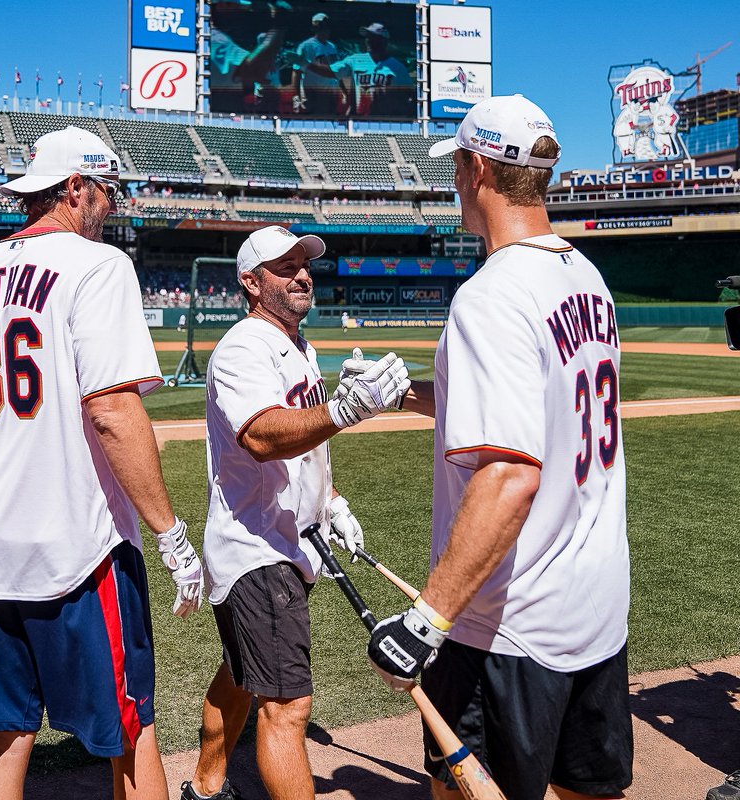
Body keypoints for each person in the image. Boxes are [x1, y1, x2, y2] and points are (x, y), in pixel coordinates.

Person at [364, 95, 632, 800]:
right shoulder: (584, 276)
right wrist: (402, 392)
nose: (454, 180)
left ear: (477, 167)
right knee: (586, 789)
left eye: (455, 166)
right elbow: (536, 408)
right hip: (596, 609)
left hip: (508, 630)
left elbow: (510, 474)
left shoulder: (491, 295)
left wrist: (427, 619)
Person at [0, 126, 204, 800]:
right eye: (108, 190)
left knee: (5, 736)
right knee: (131, 730)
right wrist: (170, 534)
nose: (113, 205)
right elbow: (111, 410)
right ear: (75, 188)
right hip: (77, 546)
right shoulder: (97, 266)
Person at [181, 225, 410, 800]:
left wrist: (332, 503)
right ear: (251, 283)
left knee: (240, 677)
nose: (302, 274)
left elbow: (307, 449)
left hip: (287, 541)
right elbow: (261, 434)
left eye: (304, 264)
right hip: (257, 547)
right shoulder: (242, 348)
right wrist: (344, 409)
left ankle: (206, 787)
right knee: (287, 706)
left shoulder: (299, 349)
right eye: (284, 267)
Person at [331, 22, 411, 118]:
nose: (368, 40)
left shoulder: (397, 67)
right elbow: (331, 71)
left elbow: (408, 96)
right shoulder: (355, 60)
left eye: (373, 38)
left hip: (386, 122)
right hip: (359, 121)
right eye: (367, 37)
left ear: (383, 41)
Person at [292, 13, 342, 116]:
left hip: (330, 93)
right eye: (321, 27)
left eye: (326, 27)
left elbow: (336, 72)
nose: (325, 30)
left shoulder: (332, 46)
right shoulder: (306, 46)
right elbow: (296, 72)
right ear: (314, 28)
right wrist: (297, 96)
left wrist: (343, 92)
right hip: (312, 93)